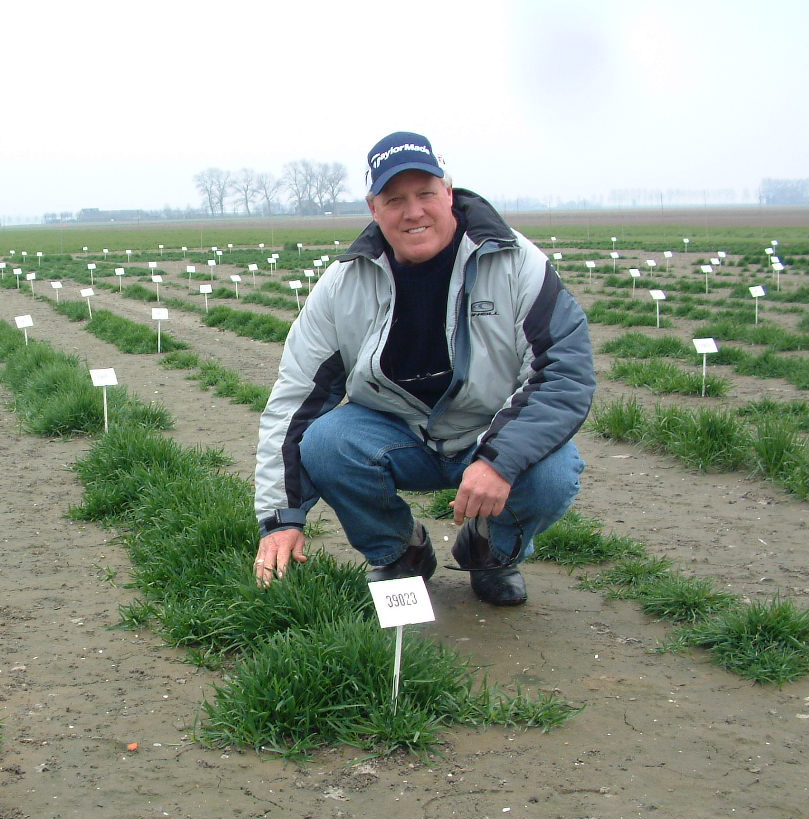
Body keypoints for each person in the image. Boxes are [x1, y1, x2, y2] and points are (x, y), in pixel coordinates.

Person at [253, 131, 594, 606]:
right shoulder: (343, 283)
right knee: (326, 442)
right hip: (396, 431)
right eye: (395, 199)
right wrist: (281, 519)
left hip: (486, 428)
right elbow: (295, 399)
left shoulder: (517, 262)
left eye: (426, 194)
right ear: (374, 208)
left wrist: (500, 459)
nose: (413, 212)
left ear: (448, 194)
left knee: (554, 470)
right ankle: (401, 553)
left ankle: (490, 552)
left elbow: (564, 373)